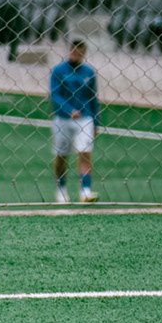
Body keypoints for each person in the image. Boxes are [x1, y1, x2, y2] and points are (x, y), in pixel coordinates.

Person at [50, 39, 99, 204]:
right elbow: (55, 94)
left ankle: (85, 191)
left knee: (84, 152)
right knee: (61, 156)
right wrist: (68, 110)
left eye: (79, 52)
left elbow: (93, 97)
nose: (75, 54)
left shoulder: (89, 72)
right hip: (63, 119)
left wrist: (96, 121)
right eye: (73, 51)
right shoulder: (59, 71)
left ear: (83, 53)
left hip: (85, 118)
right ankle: (61, 189)